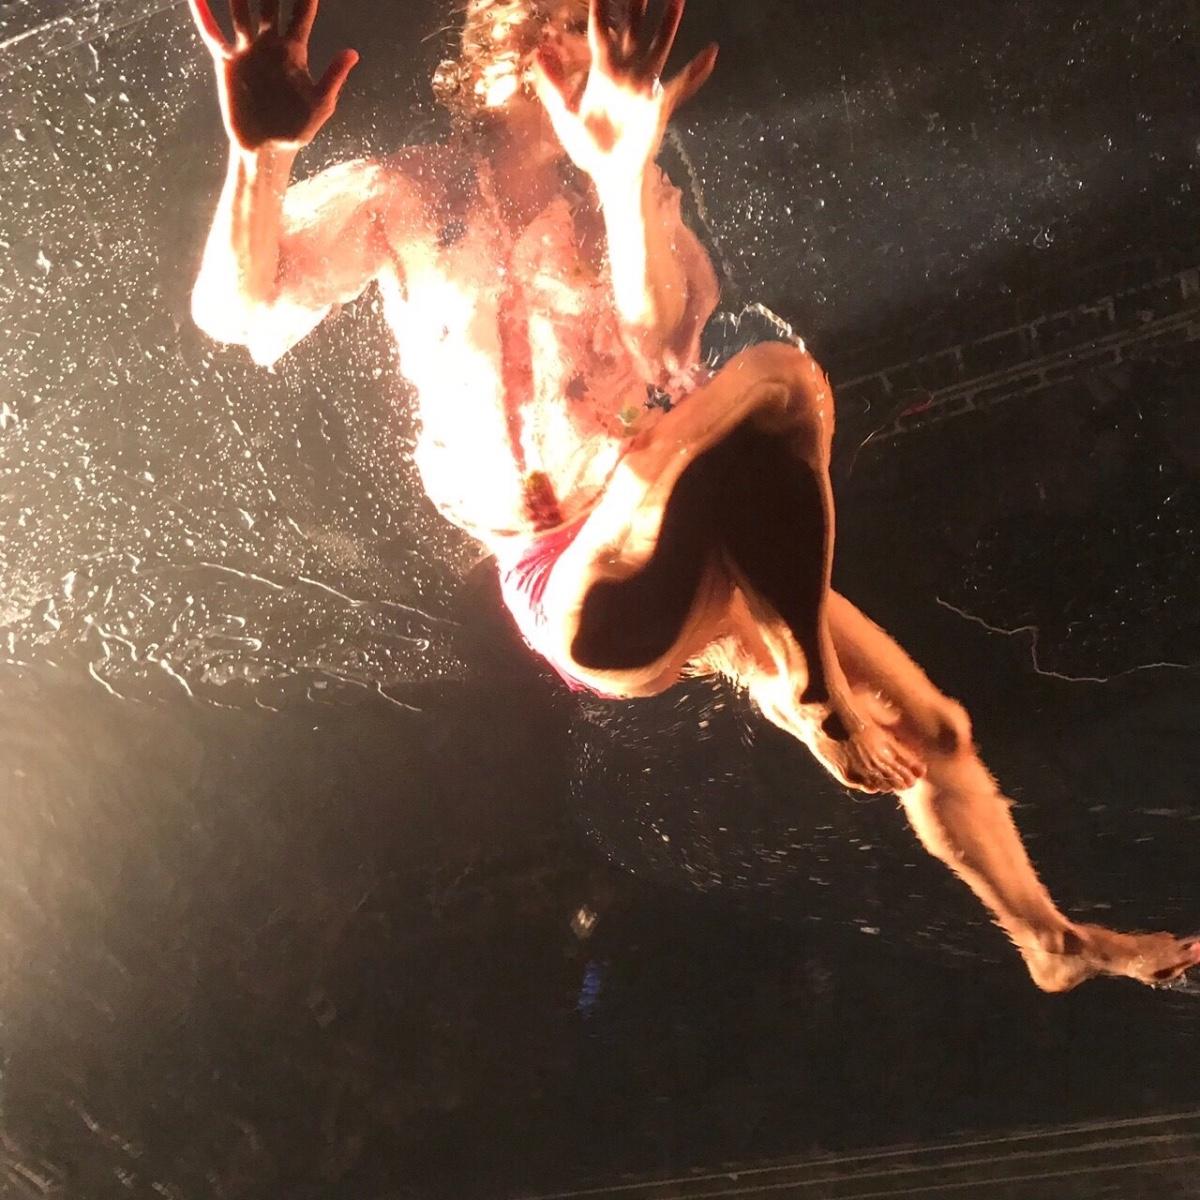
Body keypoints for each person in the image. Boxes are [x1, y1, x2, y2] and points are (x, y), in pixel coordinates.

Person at [187, 0, 1199, 992]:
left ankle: (1051, 942)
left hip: (685, 505)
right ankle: (814, 690)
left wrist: (622, 176)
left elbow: (666, 346)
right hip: (583, 575)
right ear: (502, 55)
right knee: (770, 383)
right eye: (569, 27)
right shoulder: (405, 194)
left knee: (936, 733)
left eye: (604, 29)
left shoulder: (627, 194)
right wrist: (258, 159)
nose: (598, 50)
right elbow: (238, 311)